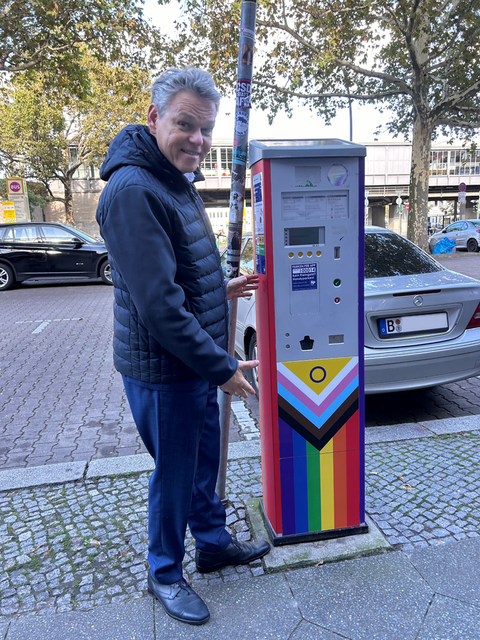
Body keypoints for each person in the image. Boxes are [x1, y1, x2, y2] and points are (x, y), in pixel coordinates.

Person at [96, 67, 270, 626]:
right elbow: (160, 308)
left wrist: (222, 288)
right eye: (184, 124)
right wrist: (223, 368)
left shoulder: (171, 179)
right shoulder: (132, 191)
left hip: (190, 363)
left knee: (201, 460)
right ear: (154, 119)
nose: (197, 139)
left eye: (205, 129)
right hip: (165, 369)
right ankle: (165, 572)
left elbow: (172, 277)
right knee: (174, 472)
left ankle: (213, 544)